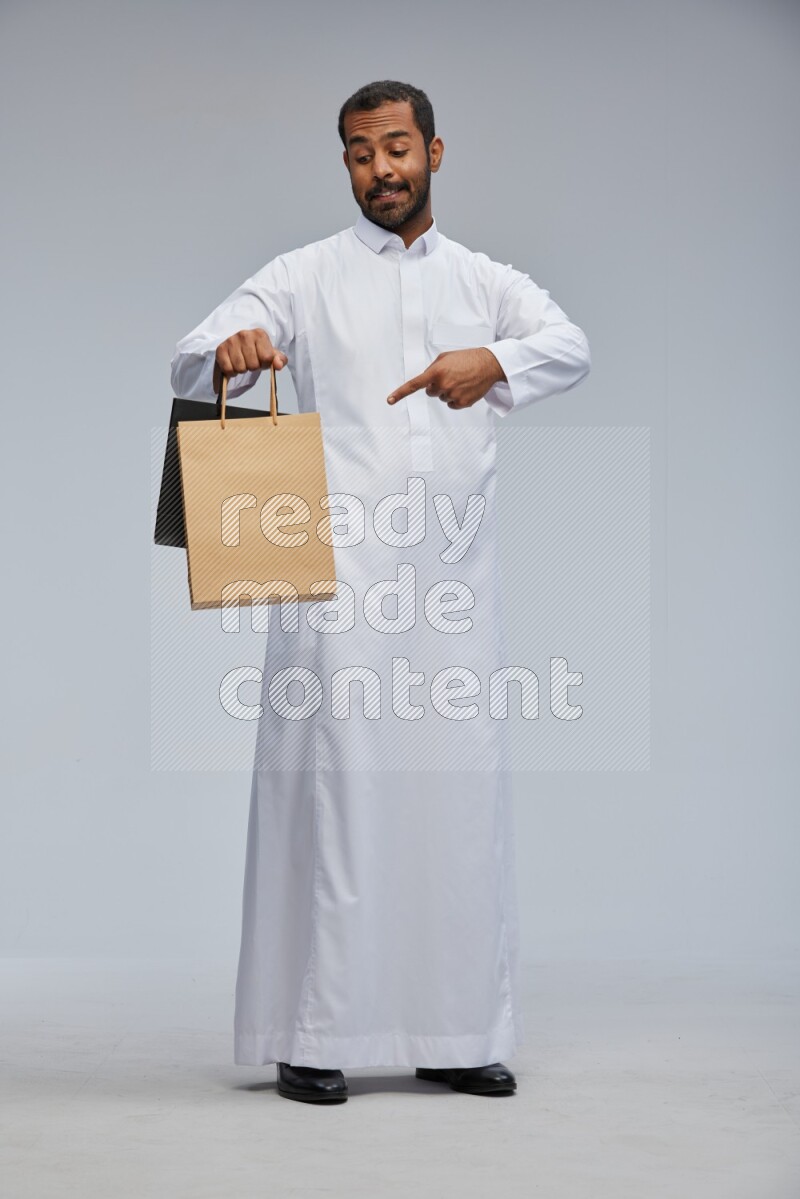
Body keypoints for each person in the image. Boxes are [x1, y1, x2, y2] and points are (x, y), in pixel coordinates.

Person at [170, 80, 591, 1105]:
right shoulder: (303, 275)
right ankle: (312, 1031)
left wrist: (486, 359)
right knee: (336, 804)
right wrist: (234, 348)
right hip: (332, 593)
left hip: (449, 591)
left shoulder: (485, 281)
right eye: (359, 153)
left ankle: (452, 1031)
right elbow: (194, 352)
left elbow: (569, 346)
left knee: (454, 806)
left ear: (435, 154)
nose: (379, 170)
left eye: (395, 147)